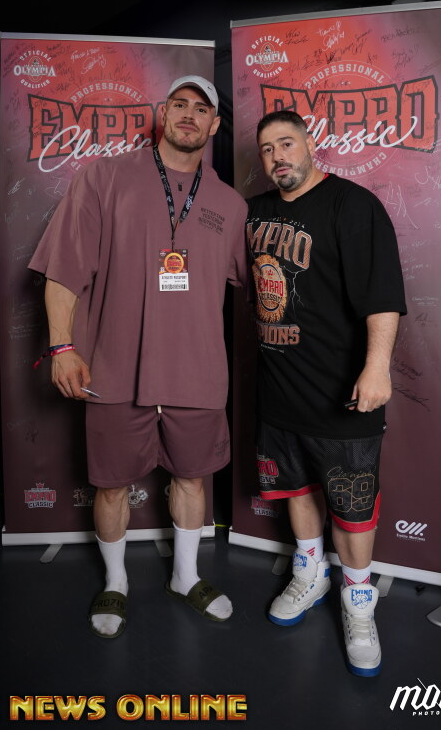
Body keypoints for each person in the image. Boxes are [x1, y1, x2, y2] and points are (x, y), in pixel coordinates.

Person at [28, 75, 248, 638]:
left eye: (202, 109)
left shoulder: (229, 203)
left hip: (197, 373)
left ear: (214, 125)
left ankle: (186, 576)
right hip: (115, 369)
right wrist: (62, 346)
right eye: (180, 104)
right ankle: (116, 581)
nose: (190, 115)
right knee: (110, 485)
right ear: (162, 113)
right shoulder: (105, 178)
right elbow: (63, 270)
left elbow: (262, 284)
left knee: (193, 480)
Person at [246, 109, 407, 676]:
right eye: (267, 149)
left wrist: (377, 367)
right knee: (296, 489)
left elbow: (382, 294)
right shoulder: (256, 211)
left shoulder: (353, 205)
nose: (277, 157)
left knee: (353, 507)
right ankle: (311, 572)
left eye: (286, 143)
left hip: (342, 393)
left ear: (310, 144)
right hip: (280, 389)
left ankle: (358, 601)